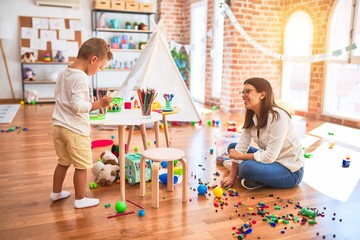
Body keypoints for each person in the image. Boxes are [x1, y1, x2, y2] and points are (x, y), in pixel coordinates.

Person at [50, 38, 113, 208]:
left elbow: (66, 97)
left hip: (59, 126)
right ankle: (80, 199)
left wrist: (89, 100)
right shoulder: (81, 77)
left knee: (63, 161)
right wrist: (99, 104)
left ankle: (56, 193)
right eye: (100, 66)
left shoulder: (64, 72)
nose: (99, 70)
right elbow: (78, 106)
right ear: (93, 59)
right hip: (75, 130)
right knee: (82, 165)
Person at [220, 77, 304, 190]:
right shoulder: (251, 116)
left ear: (262, 95)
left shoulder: (278, 117)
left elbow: (269, 156)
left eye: (248, 91)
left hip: (290, 170)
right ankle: (256, 177)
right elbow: (241, 147)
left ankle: (251, 174)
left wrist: (240, 157)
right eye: (242, 92)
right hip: (271, 161)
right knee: (233, 147)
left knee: (246, 167)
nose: (243, 95)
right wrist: (231, 177)